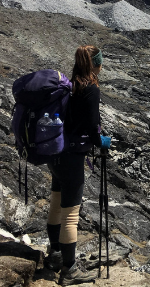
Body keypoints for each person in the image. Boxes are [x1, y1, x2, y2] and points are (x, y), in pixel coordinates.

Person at [45, 45, 112, 285]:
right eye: (100, 60)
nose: (102, 65)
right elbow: (93, 125)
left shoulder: (70, 85)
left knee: (55, 204)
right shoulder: (90, 88)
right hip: (72, 156)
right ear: (94, 63)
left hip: (55, 152)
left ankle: (54, 254)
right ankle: (70, 269)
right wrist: (101, 142)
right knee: (71, 215)